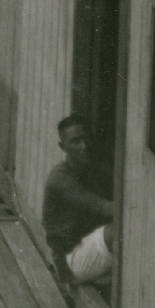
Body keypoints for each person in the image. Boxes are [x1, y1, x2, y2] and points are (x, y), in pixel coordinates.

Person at [44, 115, 117, 287]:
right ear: (63, 147)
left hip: (85, 246)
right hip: (70, 261)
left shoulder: (92, 168)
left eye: (86, 139)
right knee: (119, 231)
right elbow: (103, 208)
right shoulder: (60, 178)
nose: (84, 146)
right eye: (75, 141)